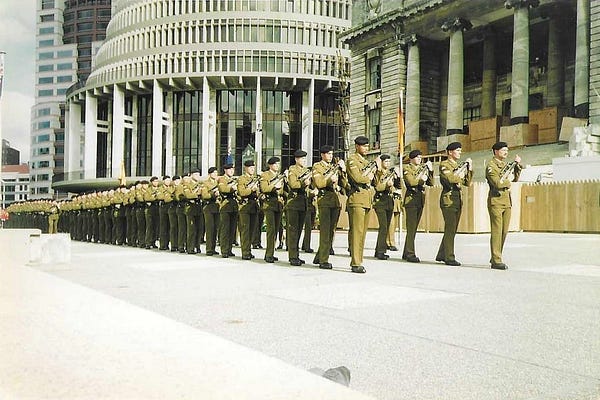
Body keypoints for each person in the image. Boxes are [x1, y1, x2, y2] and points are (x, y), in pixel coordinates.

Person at [485, 141, 522, 270]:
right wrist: (508, 181)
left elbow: (515, 178)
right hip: (496, 201)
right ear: (496, 151)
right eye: (503, 150)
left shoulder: (505, 165)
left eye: (507, 150)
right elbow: (497, 183)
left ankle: (496, 255)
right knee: (497, 231)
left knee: (504, 231)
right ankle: (496, 260)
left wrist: (517, 166)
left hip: (506, 201)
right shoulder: (491, 166)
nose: (506, 152)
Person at [435, 142, 473, 266]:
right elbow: (450, 179)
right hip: (448, 199)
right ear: (450, 152)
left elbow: (467, 182)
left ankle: (442, 254)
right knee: (450, 228)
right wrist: (460, 176)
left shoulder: (457, 165)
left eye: (460, 150)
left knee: (452, 229)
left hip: (457, 199)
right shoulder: (444, 164)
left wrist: (469, 169)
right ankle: (449, 257)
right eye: (457, 150)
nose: (460, 152)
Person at [346, 136, 376, 273]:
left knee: (362, 233)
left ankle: (359, 259)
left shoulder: (365, 162)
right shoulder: (352, 160)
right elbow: (357, 178)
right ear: (357, 146)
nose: (366, 148)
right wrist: (368, 178)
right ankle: (355, 262)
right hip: (357, 199)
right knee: (357, 232)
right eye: (364, 146)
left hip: (366, 199)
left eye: (367, 146)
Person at [312, 145, 343, 270]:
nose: (331, 156)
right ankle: (323, 260)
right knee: (325, 231)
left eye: (331, 154)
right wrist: (330, 180)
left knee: (331, 231)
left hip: (335, 201)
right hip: (324, 200)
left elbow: (343, 183)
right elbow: (319, 183)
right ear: (322, 155)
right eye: (328, 154)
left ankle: (320, 256)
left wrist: (343, 170)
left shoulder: (333, 167)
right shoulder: (317, 166)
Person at [402, 150, 434, 263]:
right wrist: (421, 180)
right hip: (411, 201)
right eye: (417, 157)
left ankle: (406, 252)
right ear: (411, 158)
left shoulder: (422, 168)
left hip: (420, 200)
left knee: (414, 228)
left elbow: (431, 183)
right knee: (411, 228)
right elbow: (411, 182)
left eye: (420, 157)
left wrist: (431, 171)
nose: (419, 159)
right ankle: (410, 253)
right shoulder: (407, 168)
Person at [285, 149, 311, 266]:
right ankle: (293, 256)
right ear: (296, 159)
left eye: (305, 158)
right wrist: (303, 183)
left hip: (302, 203)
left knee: (299, 230)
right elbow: (293, 184)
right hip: (294, 204)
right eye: (302, 158)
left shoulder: (306, 170)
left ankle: (296, 255)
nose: (304, 160)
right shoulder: (292, 170)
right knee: (293, 231)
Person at [260, 156, 285, 263]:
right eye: (275, 164)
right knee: (271, 230)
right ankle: (268, 254)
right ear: (270, 165)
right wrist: (274, 186)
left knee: (276, 230)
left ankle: (272, 252)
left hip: (278, 205)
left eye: (278, 164)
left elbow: (283, 190)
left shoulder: (279, 176)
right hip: (269, 204)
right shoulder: (265, 175)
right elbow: (264, 188)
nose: (277, 166)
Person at [373, 154, 394, 260]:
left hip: (389, 202)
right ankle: (381, 251)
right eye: (385, 161)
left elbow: (398, 186)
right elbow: (377, 187)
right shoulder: (377, 173)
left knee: (386, 226)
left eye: (389, 161)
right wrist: (386, 185)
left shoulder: (390, 173)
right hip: (380, 202)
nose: (388, 163)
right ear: (381, 162)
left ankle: (379, 250)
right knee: (383, 226)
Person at [237, 160, 260, 260]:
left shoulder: (254, 179)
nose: (252, 169)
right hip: (245, 207)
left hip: (253, 206)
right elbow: (241, 192)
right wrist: (251, 189)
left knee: (252, 230)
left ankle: (249, 250)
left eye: (253, 167)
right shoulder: (242, 179)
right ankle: (245, 252)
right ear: (245, 168)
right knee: (245, 230)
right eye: (250, 167)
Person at [218, 164, 238, 258]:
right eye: (229, 169)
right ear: (225, 170)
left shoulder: (233, 180)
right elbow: (223, 189)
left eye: (232, 169)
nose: (231, 171)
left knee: (232, 229)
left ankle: (229, 249)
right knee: (225, 229)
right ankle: (224, 250)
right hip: (225, 206)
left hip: (233, 206)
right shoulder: (222, 179)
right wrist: (231, 188)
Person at [201, 167, 221, 256]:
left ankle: (213, 248)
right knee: (210, 229)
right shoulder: (205, 183)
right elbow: (205, 195)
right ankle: (209, 249)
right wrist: (213, 194)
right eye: (213, 173)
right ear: (209, 174)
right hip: (209, 207)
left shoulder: (218, 183)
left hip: (217, 207)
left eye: (216, 173)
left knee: (215, 229)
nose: (215, 174)